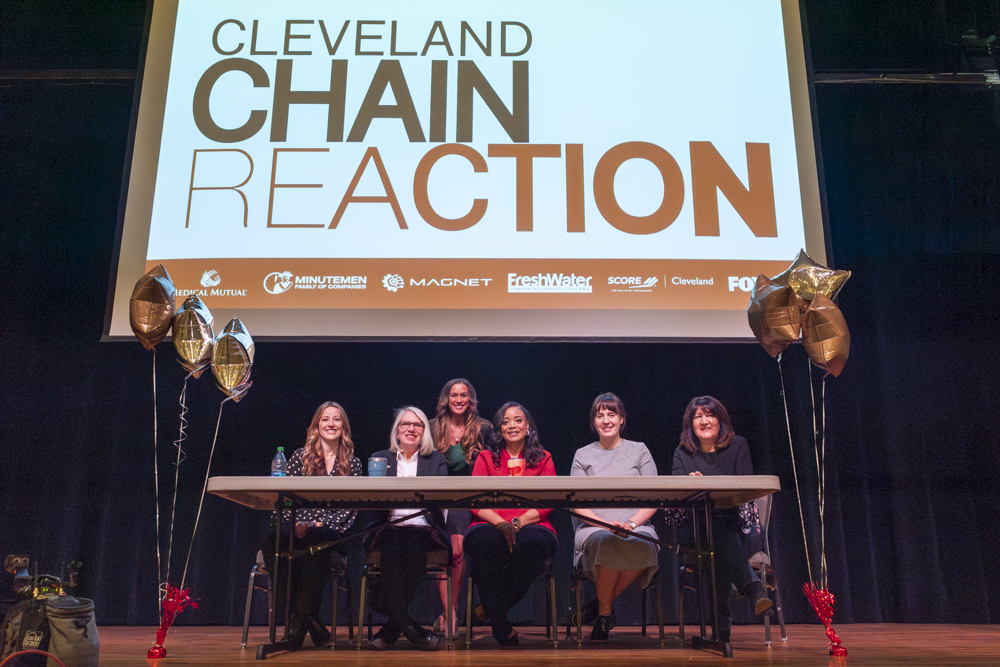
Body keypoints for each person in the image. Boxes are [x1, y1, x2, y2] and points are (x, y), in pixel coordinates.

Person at [671, 396, 772, 644]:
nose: (704, 421)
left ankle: (721, 630)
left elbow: (746, 489)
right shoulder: (682, 453)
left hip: (738, 526)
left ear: (721, 420)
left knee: (718, 543)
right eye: (698, 416)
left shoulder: (738, 446)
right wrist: (690, 484)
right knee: (714, 532)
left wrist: (706, 482)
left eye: (710, 415)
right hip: (695, 529)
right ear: (691, 424)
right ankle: (753, 588)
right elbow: (677, 492)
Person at [265, 401, 362, 650]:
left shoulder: (353, 463)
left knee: (318, 536)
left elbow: (349, 510)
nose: (331, 424)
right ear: (316, 426)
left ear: (344, 427)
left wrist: (320, 522)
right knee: (273, 539)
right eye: (325, 419)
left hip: (330, 534)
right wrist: (296, 523)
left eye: (336, 419)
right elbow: (284, 500)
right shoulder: (300, 457)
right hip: (298, 530)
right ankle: (308, 620)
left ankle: (297, 627)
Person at [463, 402, 558, 646]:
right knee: (484, 544)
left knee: (534, 546)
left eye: (517, 420)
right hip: (490, 522)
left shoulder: (543, 458)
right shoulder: (485, 457)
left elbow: (549, 500)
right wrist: (501, 523)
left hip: (532, 522)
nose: (512, 425)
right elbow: (475, 500)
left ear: (528, 426)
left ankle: (489, 608)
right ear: (499, 429)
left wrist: (519, 521)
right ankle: (500, 624)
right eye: (505, 422)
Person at [570, 392, 659, 641]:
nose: (606, 420)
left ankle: (601, 610)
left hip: (635, 524)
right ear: (593, 422)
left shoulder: (639, 450)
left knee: (645, 542)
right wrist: (605, 524)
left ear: (622, 419)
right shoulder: (582, 455)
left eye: (612, 414)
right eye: (600, 415)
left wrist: (630, 524)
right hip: (593, 526)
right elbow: (576, 503)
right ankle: (604, 613)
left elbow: (653, 497)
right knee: (605, 540)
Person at [365, 406, 450, 651]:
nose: (411, 429)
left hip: (423, 528)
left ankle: (392, 628)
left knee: (413, 541)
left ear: (424, 431)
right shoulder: (380, 458)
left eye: (417, 425)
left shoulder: (436, 460)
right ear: (397, 430)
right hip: (389, 527)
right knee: (394, 540)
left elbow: (441, 498)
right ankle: (411, 629)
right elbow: (372, 498)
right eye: (405, 424)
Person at [429, 378, 494, 635]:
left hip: (468, 499)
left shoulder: (483, 428)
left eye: (463, 395)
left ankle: (451, 613)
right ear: (446, 399)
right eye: (454, 395)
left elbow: (494, 463)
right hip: (437, 499)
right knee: (442, 553)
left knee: (456, 553)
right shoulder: (431, 427)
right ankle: (451, 613)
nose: (459, 400)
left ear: (471, 399)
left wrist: (482, 457)